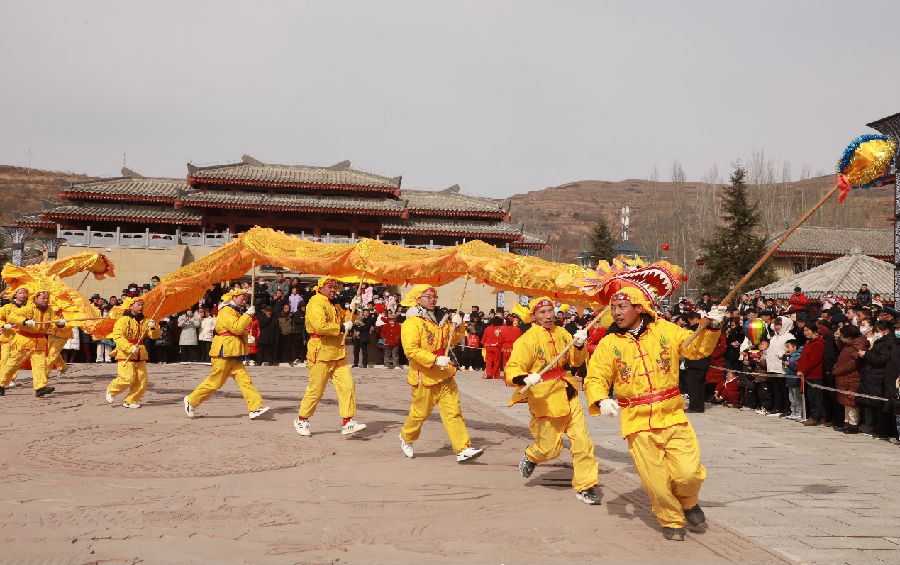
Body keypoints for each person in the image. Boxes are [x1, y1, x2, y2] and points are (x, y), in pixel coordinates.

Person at [585, 287, 727, 541]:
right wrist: (601, 398)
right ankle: (671, 520)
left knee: (689, 474)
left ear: (639, 308)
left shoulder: (665, 330)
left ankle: (688, 501)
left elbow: (696, 349)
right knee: (655, 481)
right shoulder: (609, 343)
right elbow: (595, 377)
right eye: (613, 308)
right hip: (637, 421)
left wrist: (712, 327)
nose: (616, 313)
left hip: (673, 416)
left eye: (622, 307)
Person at [504, 296, 599, 504]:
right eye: (542, 312)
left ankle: (586, 486)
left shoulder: (562, 333)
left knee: (583, 442)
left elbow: (575, 361)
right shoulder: (526, 340)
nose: (548, 316)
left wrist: (579, 345)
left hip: (568, 392)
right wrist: (525, 377)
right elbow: (512, 369)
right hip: (545, 397)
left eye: (550, 311)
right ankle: (532, 455)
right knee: (550, 449)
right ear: (534, 317)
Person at [398, 285, 482, 462]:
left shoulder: (442, 319)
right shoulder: (412, 322)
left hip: (445, 373)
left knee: (453, 412)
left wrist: (458, 326)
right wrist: (434, 359)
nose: (433, 299)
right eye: (428, 296)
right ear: (417, 299)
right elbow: (411, 350)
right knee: (420, 414)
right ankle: (406, 437)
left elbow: (452, 341)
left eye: (434, 296)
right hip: (425, 374)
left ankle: (462, 448)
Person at [293, 276, 366, 437]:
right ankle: (302, 418)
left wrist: (354, 309)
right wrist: (341, 327)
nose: (333, 290)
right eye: (330, 287)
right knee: (316, 389)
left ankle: (347, 421)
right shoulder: (315, 303)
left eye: (335, 288)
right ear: (320, 288)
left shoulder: (335, 305)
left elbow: (347, 319)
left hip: (338, 353)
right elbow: (320, 327)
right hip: (321, 351)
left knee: (347, 386)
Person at [183, 288, 270, 419]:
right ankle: (191, 400)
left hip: (234, 352)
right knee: (215, 382)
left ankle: (255, 407)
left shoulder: (236, 311)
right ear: (233, 297)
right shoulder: (226, 310)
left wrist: (247, 338)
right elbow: (236, 328)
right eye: (242, 297)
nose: (245, 300)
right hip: (223, 352)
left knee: (245, 381)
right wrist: (248, 315)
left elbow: (238, 331)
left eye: (246, 298)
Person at [0, 288, 67, 397]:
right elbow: (12, 316)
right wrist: (24, 321)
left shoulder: (50, 311)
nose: (46, 300)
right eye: (43, 298)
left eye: (47, 298)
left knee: (40, 365)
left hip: (40, 342)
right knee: (12, 365)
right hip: (24, 341)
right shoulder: (28, 308)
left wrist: (59, 323)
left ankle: (40, 387)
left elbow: (53, 323)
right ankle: (1, 383)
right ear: (36, 298)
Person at [105, 296, 162, 408]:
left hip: (140, 353)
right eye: (138, 305)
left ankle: (131, 401)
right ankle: (112, 390)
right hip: (125, 353)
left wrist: (154, 327)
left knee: (142, 380)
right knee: (127, 378)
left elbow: (154, 336)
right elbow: (118, 336)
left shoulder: (146, 321)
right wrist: (129, 347)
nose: (141, 307)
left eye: (142, 305)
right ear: (130, 306)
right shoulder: (123, 320)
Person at [832, 324, 868, 434]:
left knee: (851, 403)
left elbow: (852, 364)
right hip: (844, 377)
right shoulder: (849, 344)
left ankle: (853, 424)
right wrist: (837, 338)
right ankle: (847, 423)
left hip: (852, 377)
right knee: (846, 402)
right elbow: (841, 348)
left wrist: (837, 371)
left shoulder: (859, 345)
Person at [0, 287, 30, 388]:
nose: (23, 295)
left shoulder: (30, 309)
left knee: (16, 361)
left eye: (25, 293)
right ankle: (2, 379)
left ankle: (11, 379)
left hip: (22, 339)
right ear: (15, 295)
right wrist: (4, 325)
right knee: (4, 359)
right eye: (20, 293)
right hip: (7, 338)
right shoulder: (7, 307)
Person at [797, 324, 825, 426]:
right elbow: (802, 358)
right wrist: (799, 369)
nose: (806, 333)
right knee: (810, 397)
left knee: (815, 398)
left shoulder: (818, 343)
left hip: (815, 375)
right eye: (804, 331)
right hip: (806, 375)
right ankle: (811, 416)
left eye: (808, 330)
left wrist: (803, 370)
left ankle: (815, 417)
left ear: (814, 331)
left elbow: (814, 361)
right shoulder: (808, 343)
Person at [782, 339, 803, 420]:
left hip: (795, 380)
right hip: (789, 380)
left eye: (788, 347)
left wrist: (789, 364)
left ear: (794, 347)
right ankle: (793, 412)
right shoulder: (790, 356)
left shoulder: (798, 355)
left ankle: (799, 413)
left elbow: (797, 368)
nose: (787, 349)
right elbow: (784, 361)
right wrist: (785, 356)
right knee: (791, 399)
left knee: (797, 398)